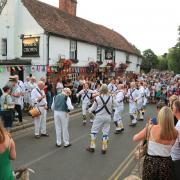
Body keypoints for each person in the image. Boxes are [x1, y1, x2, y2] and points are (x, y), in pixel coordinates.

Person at [133, 106, 178, 180]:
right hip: (166, 163)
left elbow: (135, 138)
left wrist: (147, 127)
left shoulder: (151, 128)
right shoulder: (175, 132)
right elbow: (171, 145)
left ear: (159, 117)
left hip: (150, 163)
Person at [86, 84, 115, 154]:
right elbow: (116, 105)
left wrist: (89, 110)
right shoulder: (111, 98)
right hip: (108, 117)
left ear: (101, 90)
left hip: (99, 117)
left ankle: (92, 147)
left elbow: (93, 108)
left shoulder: (98, 98)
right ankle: (104, 148)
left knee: (94, 131)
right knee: (105, 132)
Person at [171, 100, 180, 180]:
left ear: (176, 109)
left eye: (172, 107)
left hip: (176, 160)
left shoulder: (179, 126)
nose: (172, 109)